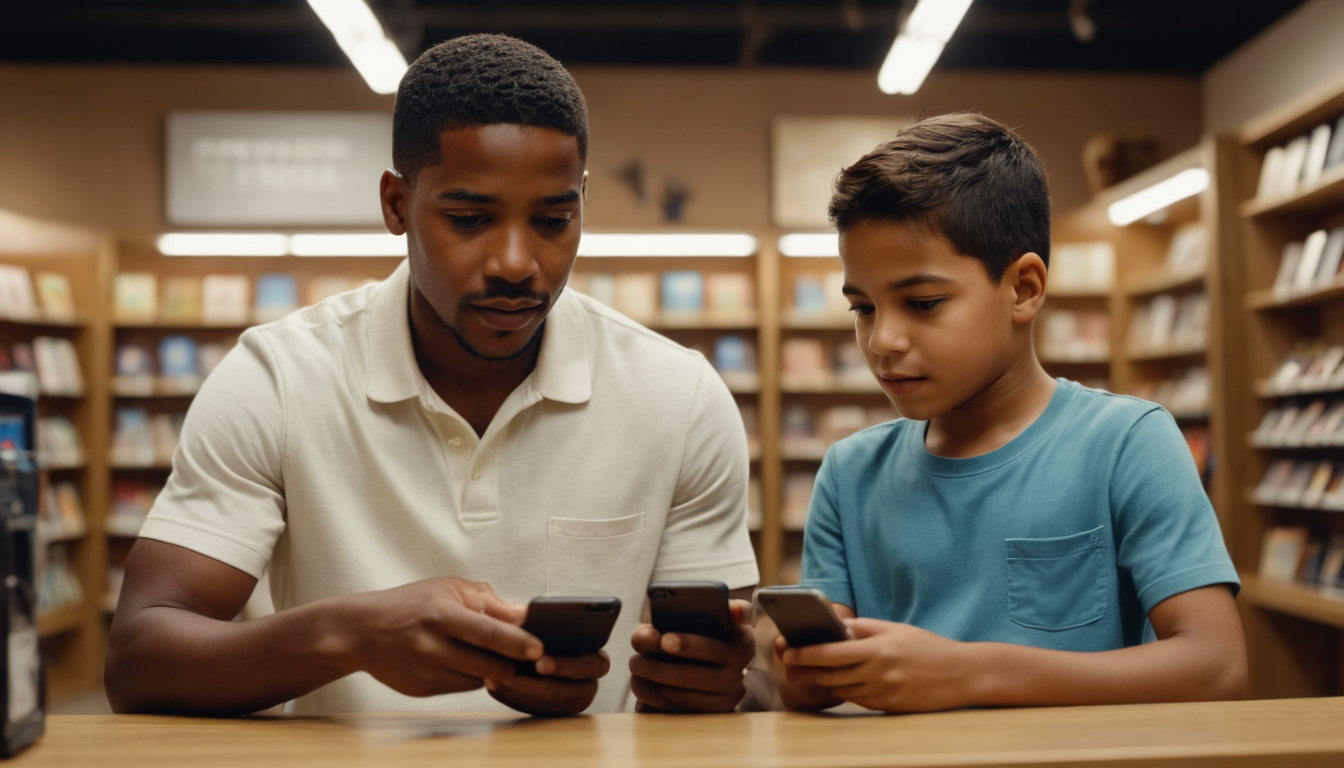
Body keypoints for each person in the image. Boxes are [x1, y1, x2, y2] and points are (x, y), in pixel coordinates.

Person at [105, 34, 761, 717]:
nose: (516, 261)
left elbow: (727, 674)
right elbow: (138, 659)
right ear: (396, 204)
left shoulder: (678, 395)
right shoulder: (276, 378)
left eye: (554, 220)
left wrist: (711, 681)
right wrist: (348, 633)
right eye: (469, 219)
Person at [771, 112, 1246, 712]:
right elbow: (804, 686)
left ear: (1023, 289)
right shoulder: (849, 472)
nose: (883, 339)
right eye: (862, 308)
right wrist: (780, 659)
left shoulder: (1127, 442)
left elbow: (1217, 666)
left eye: (922, 302)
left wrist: (970, 674)